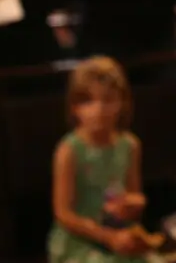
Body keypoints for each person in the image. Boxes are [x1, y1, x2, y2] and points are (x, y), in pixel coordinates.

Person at [48, 56, 160, 262]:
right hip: (80, 241)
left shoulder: (129, 146)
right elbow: (63, 213)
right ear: (74, 107)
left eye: (108, 100)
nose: (98, 110)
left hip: (119, 232)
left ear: (122, 102)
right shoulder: (69, 150)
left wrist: (133, 205)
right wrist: (107, 237)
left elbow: (134, 194)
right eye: (88, 101)